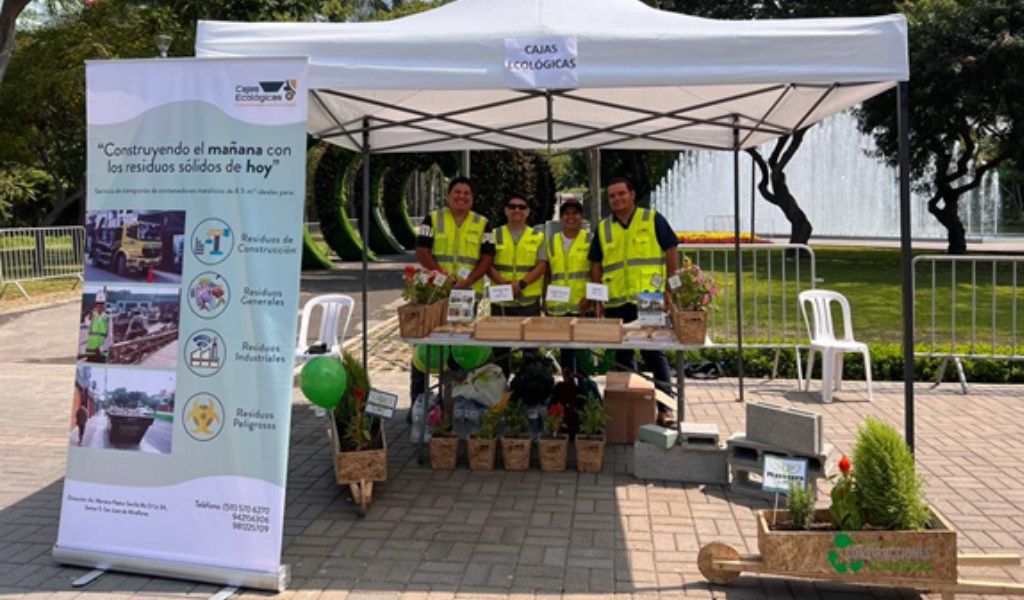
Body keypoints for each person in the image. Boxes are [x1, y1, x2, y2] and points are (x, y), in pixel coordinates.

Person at [588, 177, 679, 426]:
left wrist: (670, 292)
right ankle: (626, 410)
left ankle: (666, 407)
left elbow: (671, 251)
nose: (616, 199)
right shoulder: (604, 228)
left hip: (649, 298)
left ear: (632, 194)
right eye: (612, 196)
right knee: (621, 356)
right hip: (616, 301)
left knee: (654, 353)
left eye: (621, 194)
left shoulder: (652, 219)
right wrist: (598, 301)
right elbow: (596, 264)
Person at [410, 176, 495, 403]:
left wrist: (468, 281)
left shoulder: (482, 223)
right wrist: (441, 275)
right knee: (426, 345)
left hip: (467, 296)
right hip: (435, 294)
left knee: (461, 347)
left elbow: (487, 258)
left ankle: (457, 398)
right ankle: (418, 398)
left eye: (467, 193)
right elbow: (422, 251)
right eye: (457, 192)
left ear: (472, 199)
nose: (462, 197)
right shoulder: (433, 219)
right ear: (447, 196)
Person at [488, 194, 547, 376]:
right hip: (501, 303)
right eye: (512, 206)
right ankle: (500, 391)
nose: (517, 210)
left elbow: (542, 265)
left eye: (522, 207)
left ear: (527, 212)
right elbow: (487, 264)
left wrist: (520, 285)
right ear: (506, 210)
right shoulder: (494, 235)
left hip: (528, 303)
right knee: (500, 352)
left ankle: (528, 390)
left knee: (530, 351)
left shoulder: (538, 237)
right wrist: (506, 285)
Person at [544, 197, 592, 375]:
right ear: (561, 217)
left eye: (575, 213)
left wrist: (591, 298)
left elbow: (597, 270)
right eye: (566, 214)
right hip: (559, 306)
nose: (571, 217)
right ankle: (568, 393)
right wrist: (544, 299)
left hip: (582, 304)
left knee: (582, 353)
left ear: (581, 216)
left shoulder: (590, 239)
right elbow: (547, 272)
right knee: (565, 353)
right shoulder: (551, 241)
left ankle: (584, 394)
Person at [83, 291, 111, 363]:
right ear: (96, 303)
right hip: (91, 352)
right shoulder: (91, 315)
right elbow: (87, 323)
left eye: (102, 303)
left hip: (102, 353)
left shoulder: (108, 318)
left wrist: (101, 349)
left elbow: (110, 336)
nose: (100, 305)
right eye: (98, 303)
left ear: (104, 304)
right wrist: (90, 318)